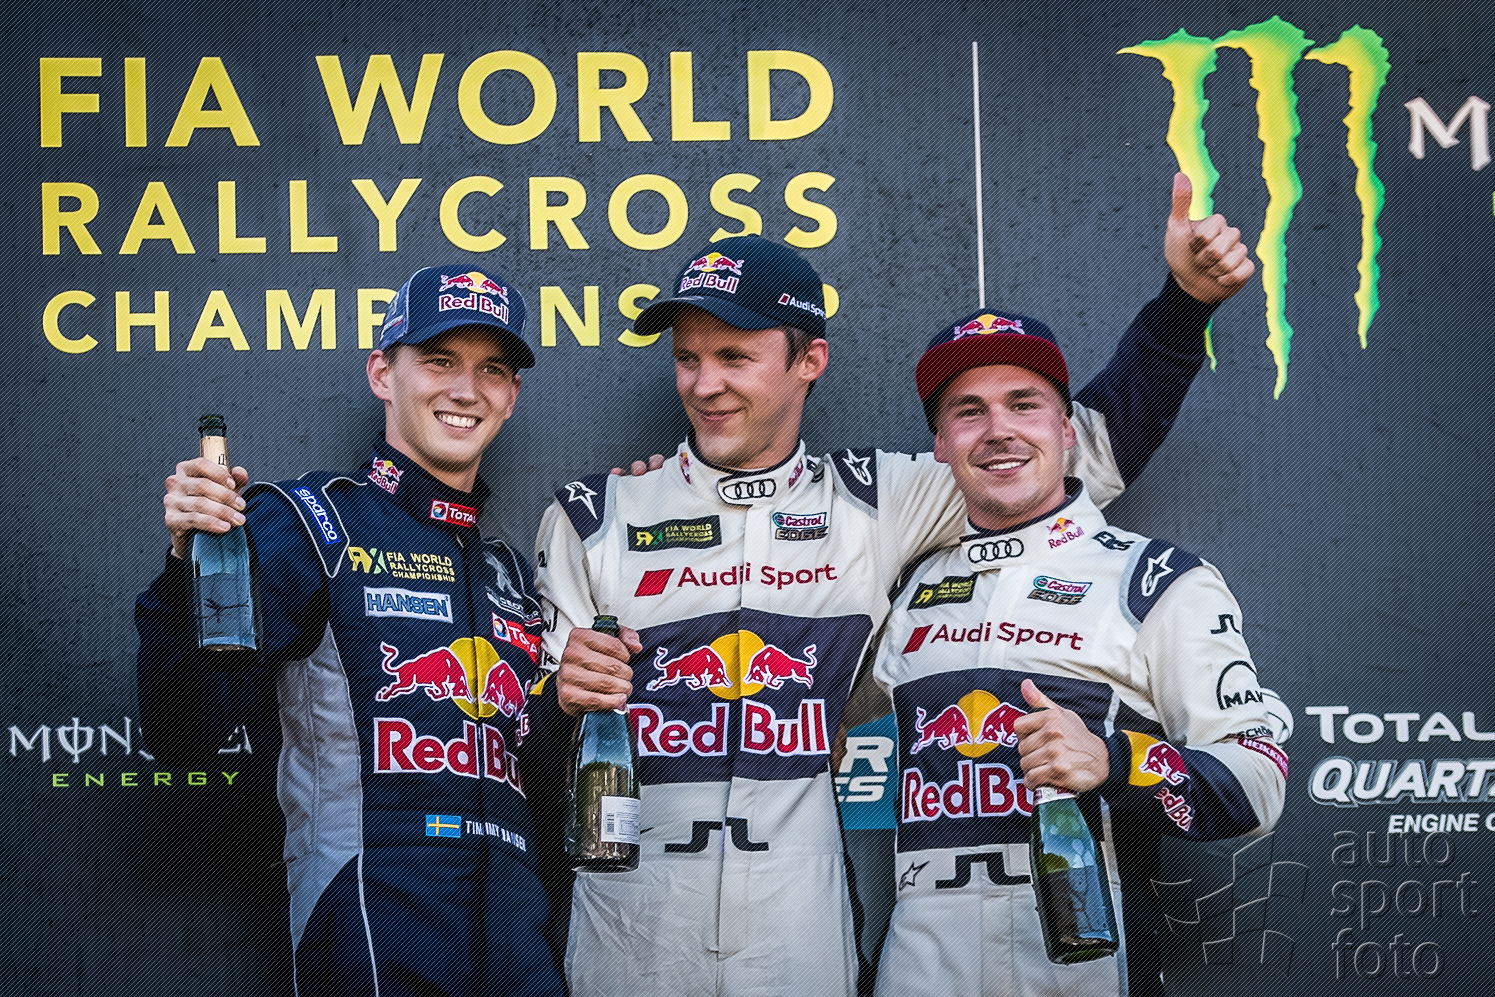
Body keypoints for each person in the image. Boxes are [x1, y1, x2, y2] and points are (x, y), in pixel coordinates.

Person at [523, 173, 1256, 996]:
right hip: (628, 918)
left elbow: (1064, 449)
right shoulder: (594, 514)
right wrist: (561, 704)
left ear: (809, 360)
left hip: (797, 929)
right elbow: (532, 757)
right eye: (686, 359)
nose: (703, 383)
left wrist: (1182, 306)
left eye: (733, 356)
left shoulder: (881, 498)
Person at [135, 264, 565, 997]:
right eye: (439, 361)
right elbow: (184, 731)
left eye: (492, 369)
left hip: (518, 922)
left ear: (511, 395)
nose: (466, 389)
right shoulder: (310, 522)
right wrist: (186, 570)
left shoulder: (509, 572)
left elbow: (545, 777)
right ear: (381, 373)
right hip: (370, 899)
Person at [869, 308, 1288, 997]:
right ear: (940, 445)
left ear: (1067, 430)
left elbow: (1259, 784)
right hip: (915, 974)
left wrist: (1114, 760)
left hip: (1087, 971)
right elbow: (814, 712)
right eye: (968, 411)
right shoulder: (906, 587)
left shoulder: (1157, 581)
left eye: (1023, 404)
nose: (998, 429)